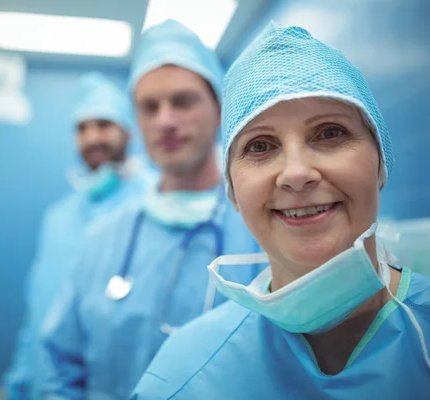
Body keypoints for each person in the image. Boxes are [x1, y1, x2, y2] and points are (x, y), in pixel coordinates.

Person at [132, 22, 430, 399]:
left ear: (379, 162)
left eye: (329, 133)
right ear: (233, 190)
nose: (296, 174)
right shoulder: (185, 376)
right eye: (259, 146)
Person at [38, 20, 264, 400]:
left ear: (219, 109)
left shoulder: (263, 231)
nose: (165, 120)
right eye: (149, 106)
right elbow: (59, 366)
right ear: (136, 121)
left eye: (183, 101)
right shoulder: (102, 240)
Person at [2, 72, 155, 399]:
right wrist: (20, 380)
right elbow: (37, 310)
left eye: (103, 124)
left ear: (128, 131)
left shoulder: (153, 206)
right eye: (82, 128)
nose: (92, 138)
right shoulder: (59, 217)